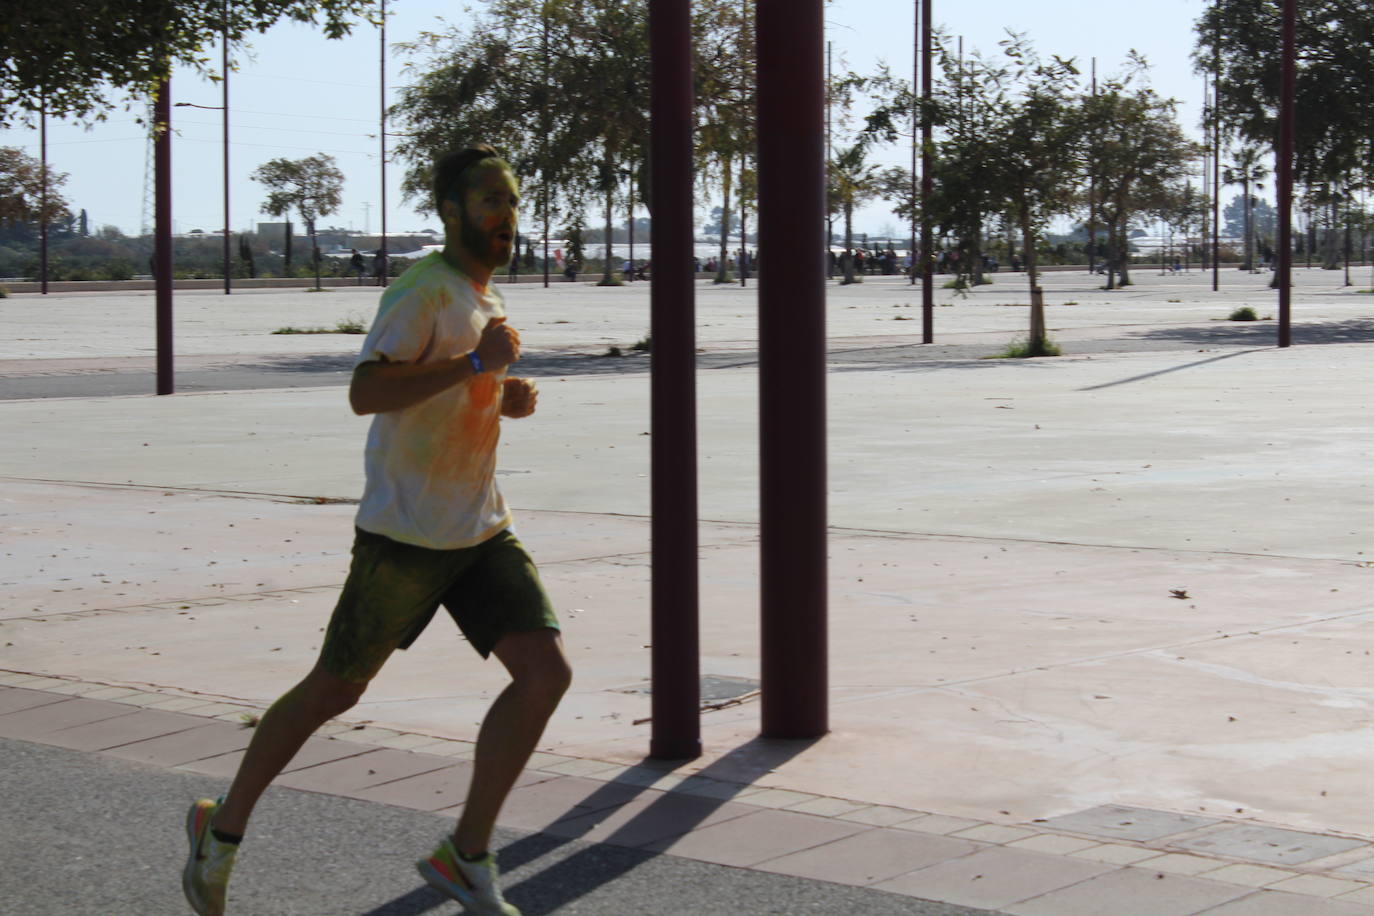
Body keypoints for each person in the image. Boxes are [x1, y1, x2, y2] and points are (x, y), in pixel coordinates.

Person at [182, 144, 570, 916]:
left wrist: (501, 395)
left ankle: (467, 854)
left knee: (545, 674)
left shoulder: (481, 298)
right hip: (405, 539)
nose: (505, 216)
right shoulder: (421, 290)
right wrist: (472, 368)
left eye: (513, 201)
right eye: (489, 200)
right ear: (452, 210)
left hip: (480, 530)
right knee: (334, 690)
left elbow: (455, 393)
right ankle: (218, 833)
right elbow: (366, 392)